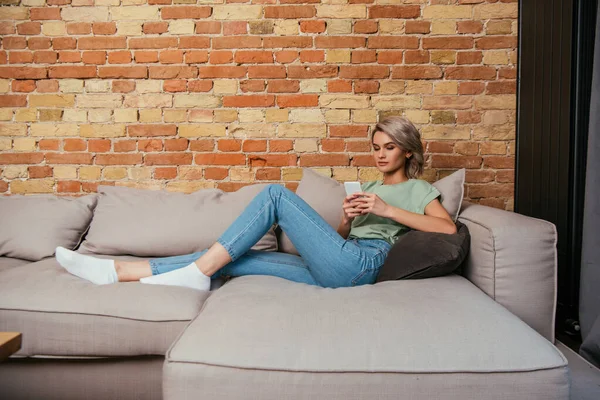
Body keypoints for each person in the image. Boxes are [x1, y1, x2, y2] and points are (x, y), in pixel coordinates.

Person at [55, 116, 457, 291]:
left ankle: (194, 272)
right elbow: (338, 239)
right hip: (341, 260)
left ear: (407, 152)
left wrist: (386, 210)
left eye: (389, 148)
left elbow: (447, 230)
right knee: (233, 260)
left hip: (365, 265)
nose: (380, 155)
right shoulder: (366, 184)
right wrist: (349, 220)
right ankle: (118, 271)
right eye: (375, 147)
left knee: (274, 193)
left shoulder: (419, 190)